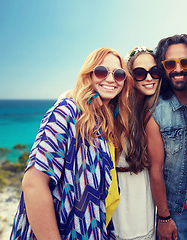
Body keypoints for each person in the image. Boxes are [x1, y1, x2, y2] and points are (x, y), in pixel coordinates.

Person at [10, 47, 133, 239]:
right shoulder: (66, 111)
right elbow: (34, 184)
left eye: (118, 74)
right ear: (88, 74)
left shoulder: (103, 123)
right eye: (101, 71)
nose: (110, 79)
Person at [145, 34, 187, 240]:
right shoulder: (157, 112)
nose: (178, 69)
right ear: (163, 68)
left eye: (185, 62)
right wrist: (164, 217)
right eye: (170, 64)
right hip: (178, 212)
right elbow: (156, 169)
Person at [111, 46, 161, 240]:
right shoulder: (115, 107)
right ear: (130, 75)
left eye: (154, 71)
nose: (149, 78)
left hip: (143, 192)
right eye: (140, 73)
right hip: (119, 193)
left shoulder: (156, 108)